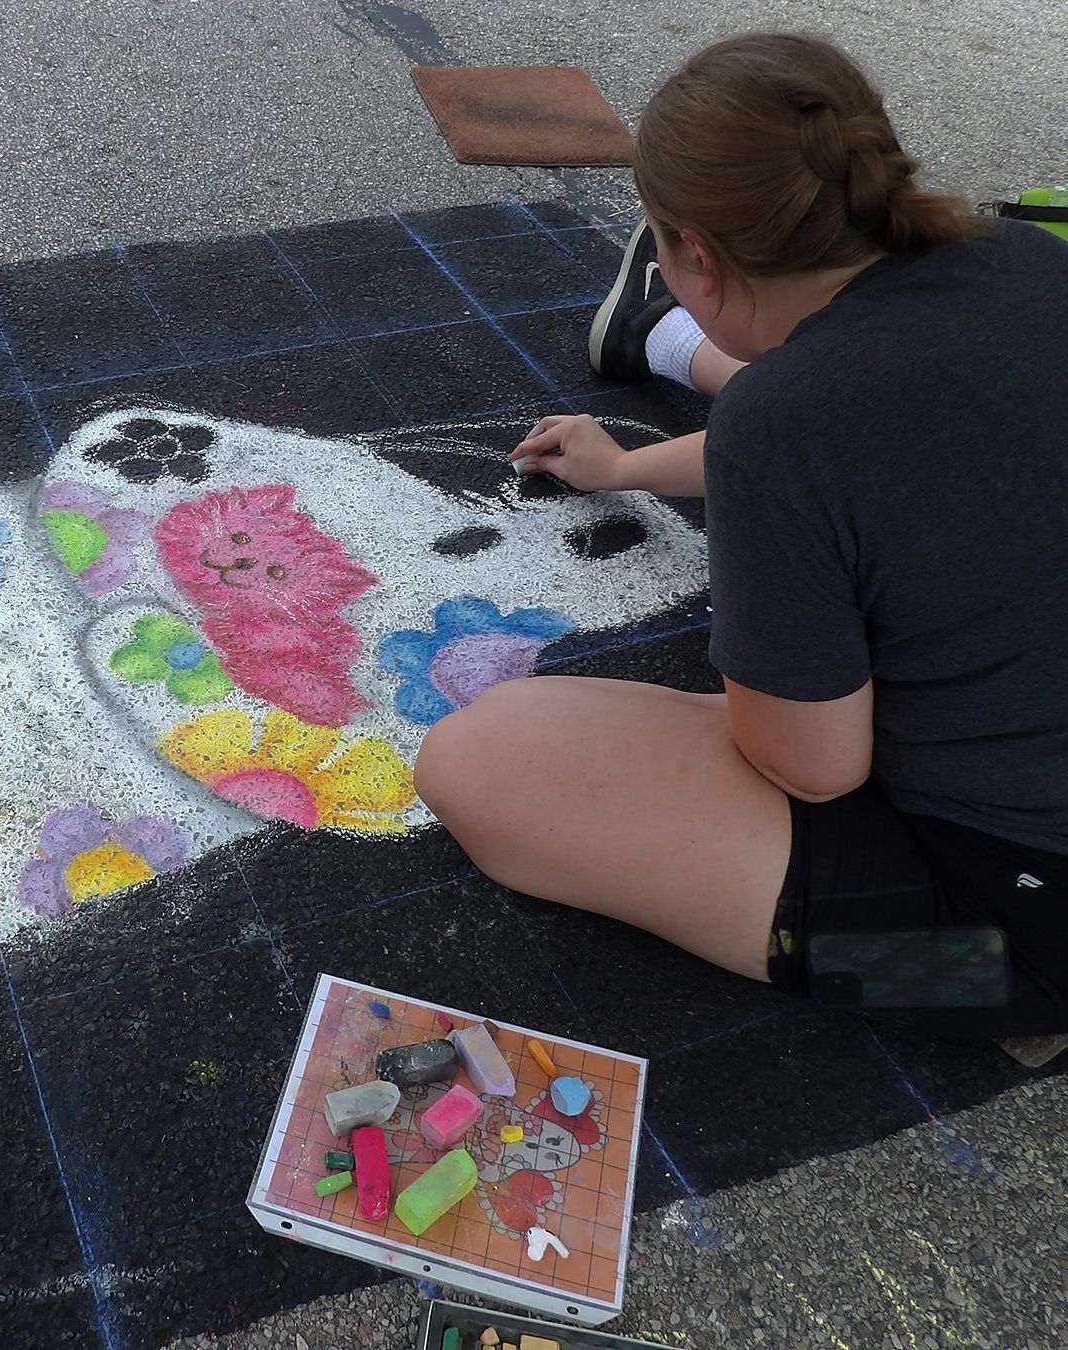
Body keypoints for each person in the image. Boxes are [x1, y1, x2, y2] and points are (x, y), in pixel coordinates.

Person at [414, 31, 1068, 1037]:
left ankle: (948, 983)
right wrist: (626, 469)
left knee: (480, 757)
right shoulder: (1026, 257)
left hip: (1012, 948)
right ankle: (661, 341)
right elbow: (863, 436)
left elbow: (813, 766)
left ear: (698, 256)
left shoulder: (786, 427)